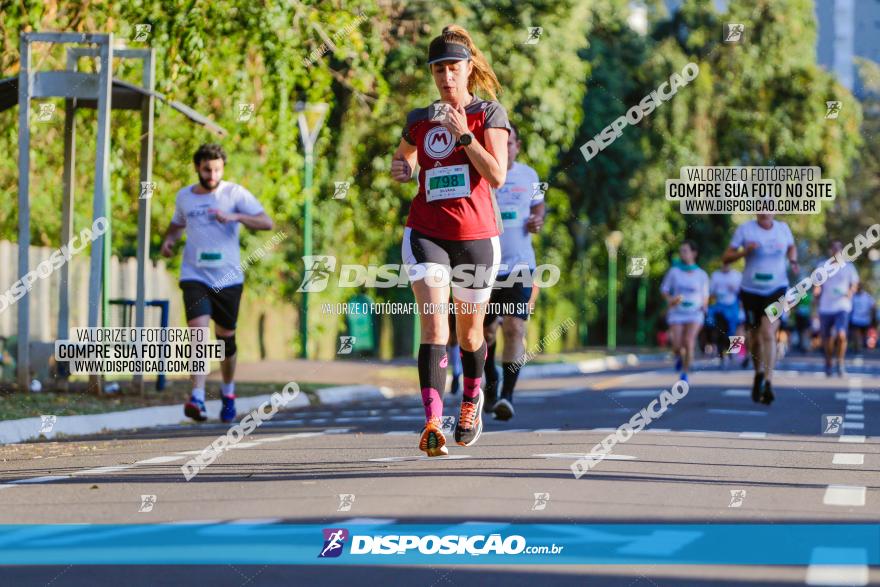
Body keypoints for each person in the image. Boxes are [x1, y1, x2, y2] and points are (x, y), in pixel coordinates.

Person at [391, 25, 510, 456]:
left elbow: (497, 175)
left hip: (477, 238)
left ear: (468, 68)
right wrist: (402, 169)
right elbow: (401, 158)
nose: (446, 77)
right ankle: (431, 424)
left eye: (453, 68)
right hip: (426, 233)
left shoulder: (489, 114)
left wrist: (464, 136)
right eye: (438, 69)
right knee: (434, 326)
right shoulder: (419, 119)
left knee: (469, 335)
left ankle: (472, 399)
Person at [160, 144, 274, 423]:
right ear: (197, 168)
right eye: (207, 169)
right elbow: (177, 223)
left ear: (223, 169)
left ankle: (228, 391)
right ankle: (197, 396)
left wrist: (236, 216)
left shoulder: (234, 193)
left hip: (228, 278)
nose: (212, 175)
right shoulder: (184, 197)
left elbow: (266, 222)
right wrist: (170, 240)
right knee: (198, 333)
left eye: (217, 169)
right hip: (194, 275)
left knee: (225, 339)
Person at [482, 123, 545, 421]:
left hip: (520, 266)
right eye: (500, 142)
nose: (505, 148)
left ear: (517, 146)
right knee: (483, 333)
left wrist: (536, 220)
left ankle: (507, 396)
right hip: (482, 266)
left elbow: (539, 208)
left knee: (514, 327)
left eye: (511, 143)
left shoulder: (530, 176)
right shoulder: (481, 172)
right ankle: (490, 384)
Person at [722, 213, 798, 405]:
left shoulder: (783, 229)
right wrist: (744, 252)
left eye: (769, 208)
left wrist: (794, 260)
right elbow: (726, 257)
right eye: (761, 209)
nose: (765, 213)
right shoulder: (745, 230)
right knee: (754, 339)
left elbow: (791, 247)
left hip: (777, 288)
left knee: (768, 332)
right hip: (750, 291)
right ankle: (758, 374)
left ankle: (768, 382)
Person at [660, 240, 709, 383]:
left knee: (689, 341)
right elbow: (664, 290)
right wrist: (671, 300)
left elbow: (705, 296)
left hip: (695, 313)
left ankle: (685, 374)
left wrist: (704, 306)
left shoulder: (701, 274)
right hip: (677, 312)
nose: (682, 254)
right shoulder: (674, 272)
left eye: (685, 251)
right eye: (681, 251)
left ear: (694, 253)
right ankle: (678, 357)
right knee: (676, 346)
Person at [814, 240, 859, 376]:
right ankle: (828, 362)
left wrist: (850, 292)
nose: (836, 251)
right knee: (826, 338)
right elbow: (817, 284)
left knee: (841, 335)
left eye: (839, 249)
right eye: (833, 248)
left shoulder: (849, 267)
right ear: (830, 251)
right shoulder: (822, 266)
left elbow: (854, 283)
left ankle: (840, 361)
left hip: (842, 306)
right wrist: (816, 292)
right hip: (826, 307)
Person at [707, 261, 742, 368]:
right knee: (719, 330)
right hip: (719, 307)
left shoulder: (737, 275)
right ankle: (721, 355)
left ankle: (734, 353)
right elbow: (711, 292)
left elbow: (742, 291)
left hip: (733, 306)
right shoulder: (715, 275)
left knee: (735, 330)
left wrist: (734, 289)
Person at [850, 284, 875, 354]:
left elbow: (873, 306)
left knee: (864, 335)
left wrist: (872, 318)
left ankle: (864, 346)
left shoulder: (867, 296)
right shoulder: (853, 296)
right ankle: (857, 349)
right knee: (856, 334)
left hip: (865, 319)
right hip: (855, 319)